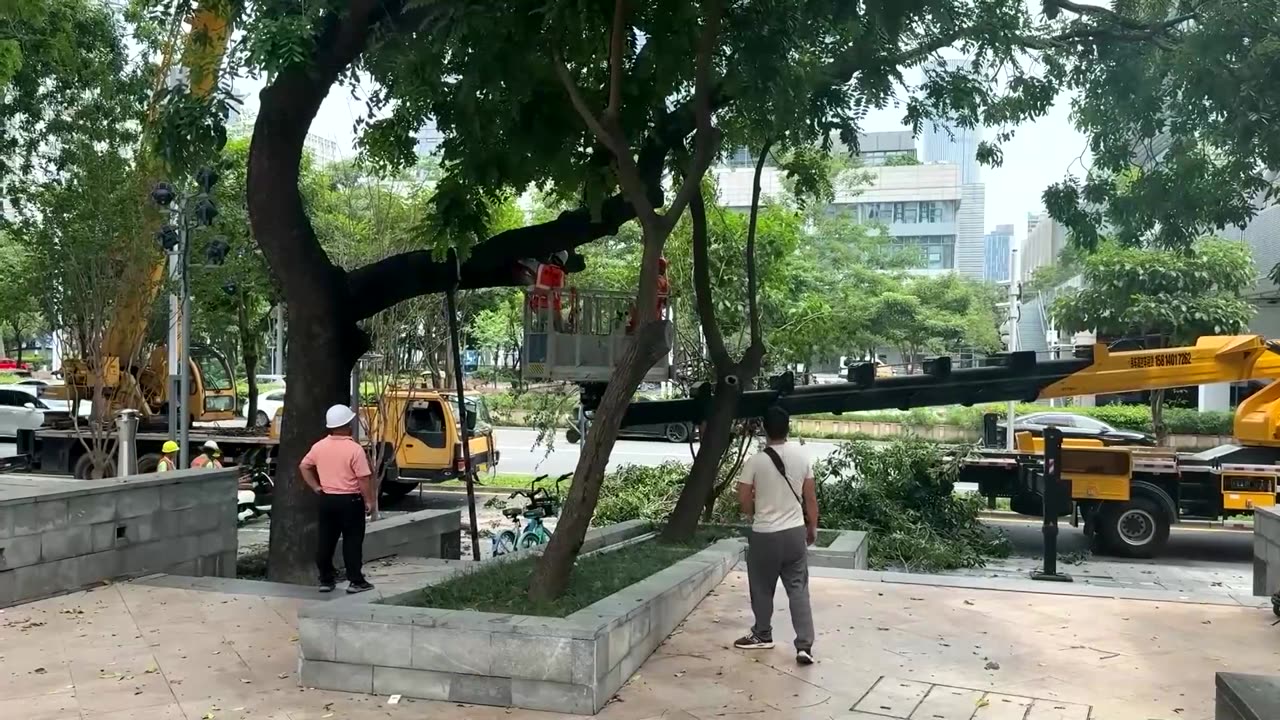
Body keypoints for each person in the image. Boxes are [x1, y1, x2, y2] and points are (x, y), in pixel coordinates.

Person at [733, 405, 818, 665]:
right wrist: (811, 527)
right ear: (788, 428)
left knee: (761, 587)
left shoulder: (756, 461)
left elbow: (744, 497)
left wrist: (752, 513)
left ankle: (762, 634)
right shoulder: (802, 458)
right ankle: (804, 645)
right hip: (794, 534)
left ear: (764, 429)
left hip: (765, 536)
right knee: (798, 589)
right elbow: (810, 499)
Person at [298, 404, 376, 594]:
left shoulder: (319, 447)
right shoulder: (354, 449)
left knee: (325, 540)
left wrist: (316, 487)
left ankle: (326, 579)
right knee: (352, 541)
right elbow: (363, 478)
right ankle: (356, 581)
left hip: (327, 500)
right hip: (350, 501)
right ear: (348, 424)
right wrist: (369, 501)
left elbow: (304, 466)